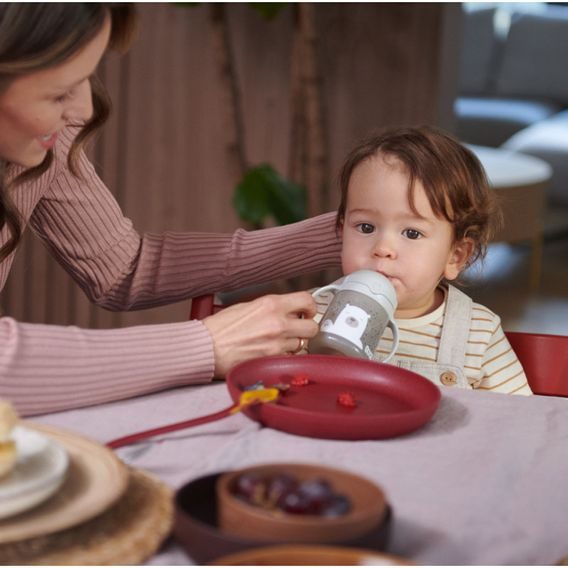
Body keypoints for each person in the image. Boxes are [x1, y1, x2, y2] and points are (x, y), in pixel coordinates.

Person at [0, 4, 341, 417]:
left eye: (86, 77)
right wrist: (204, 346)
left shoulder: (43, 139)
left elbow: (123, 268)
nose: (85, 111)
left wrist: (348, 232)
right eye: (59, 92)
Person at [307, 126, 532, 395]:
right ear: (342, 231)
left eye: (412, 233)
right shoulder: (311, 314)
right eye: (366, 227)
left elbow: (519, 418)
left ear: (455, 256)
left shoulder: (478, 333)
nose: (383, 248)